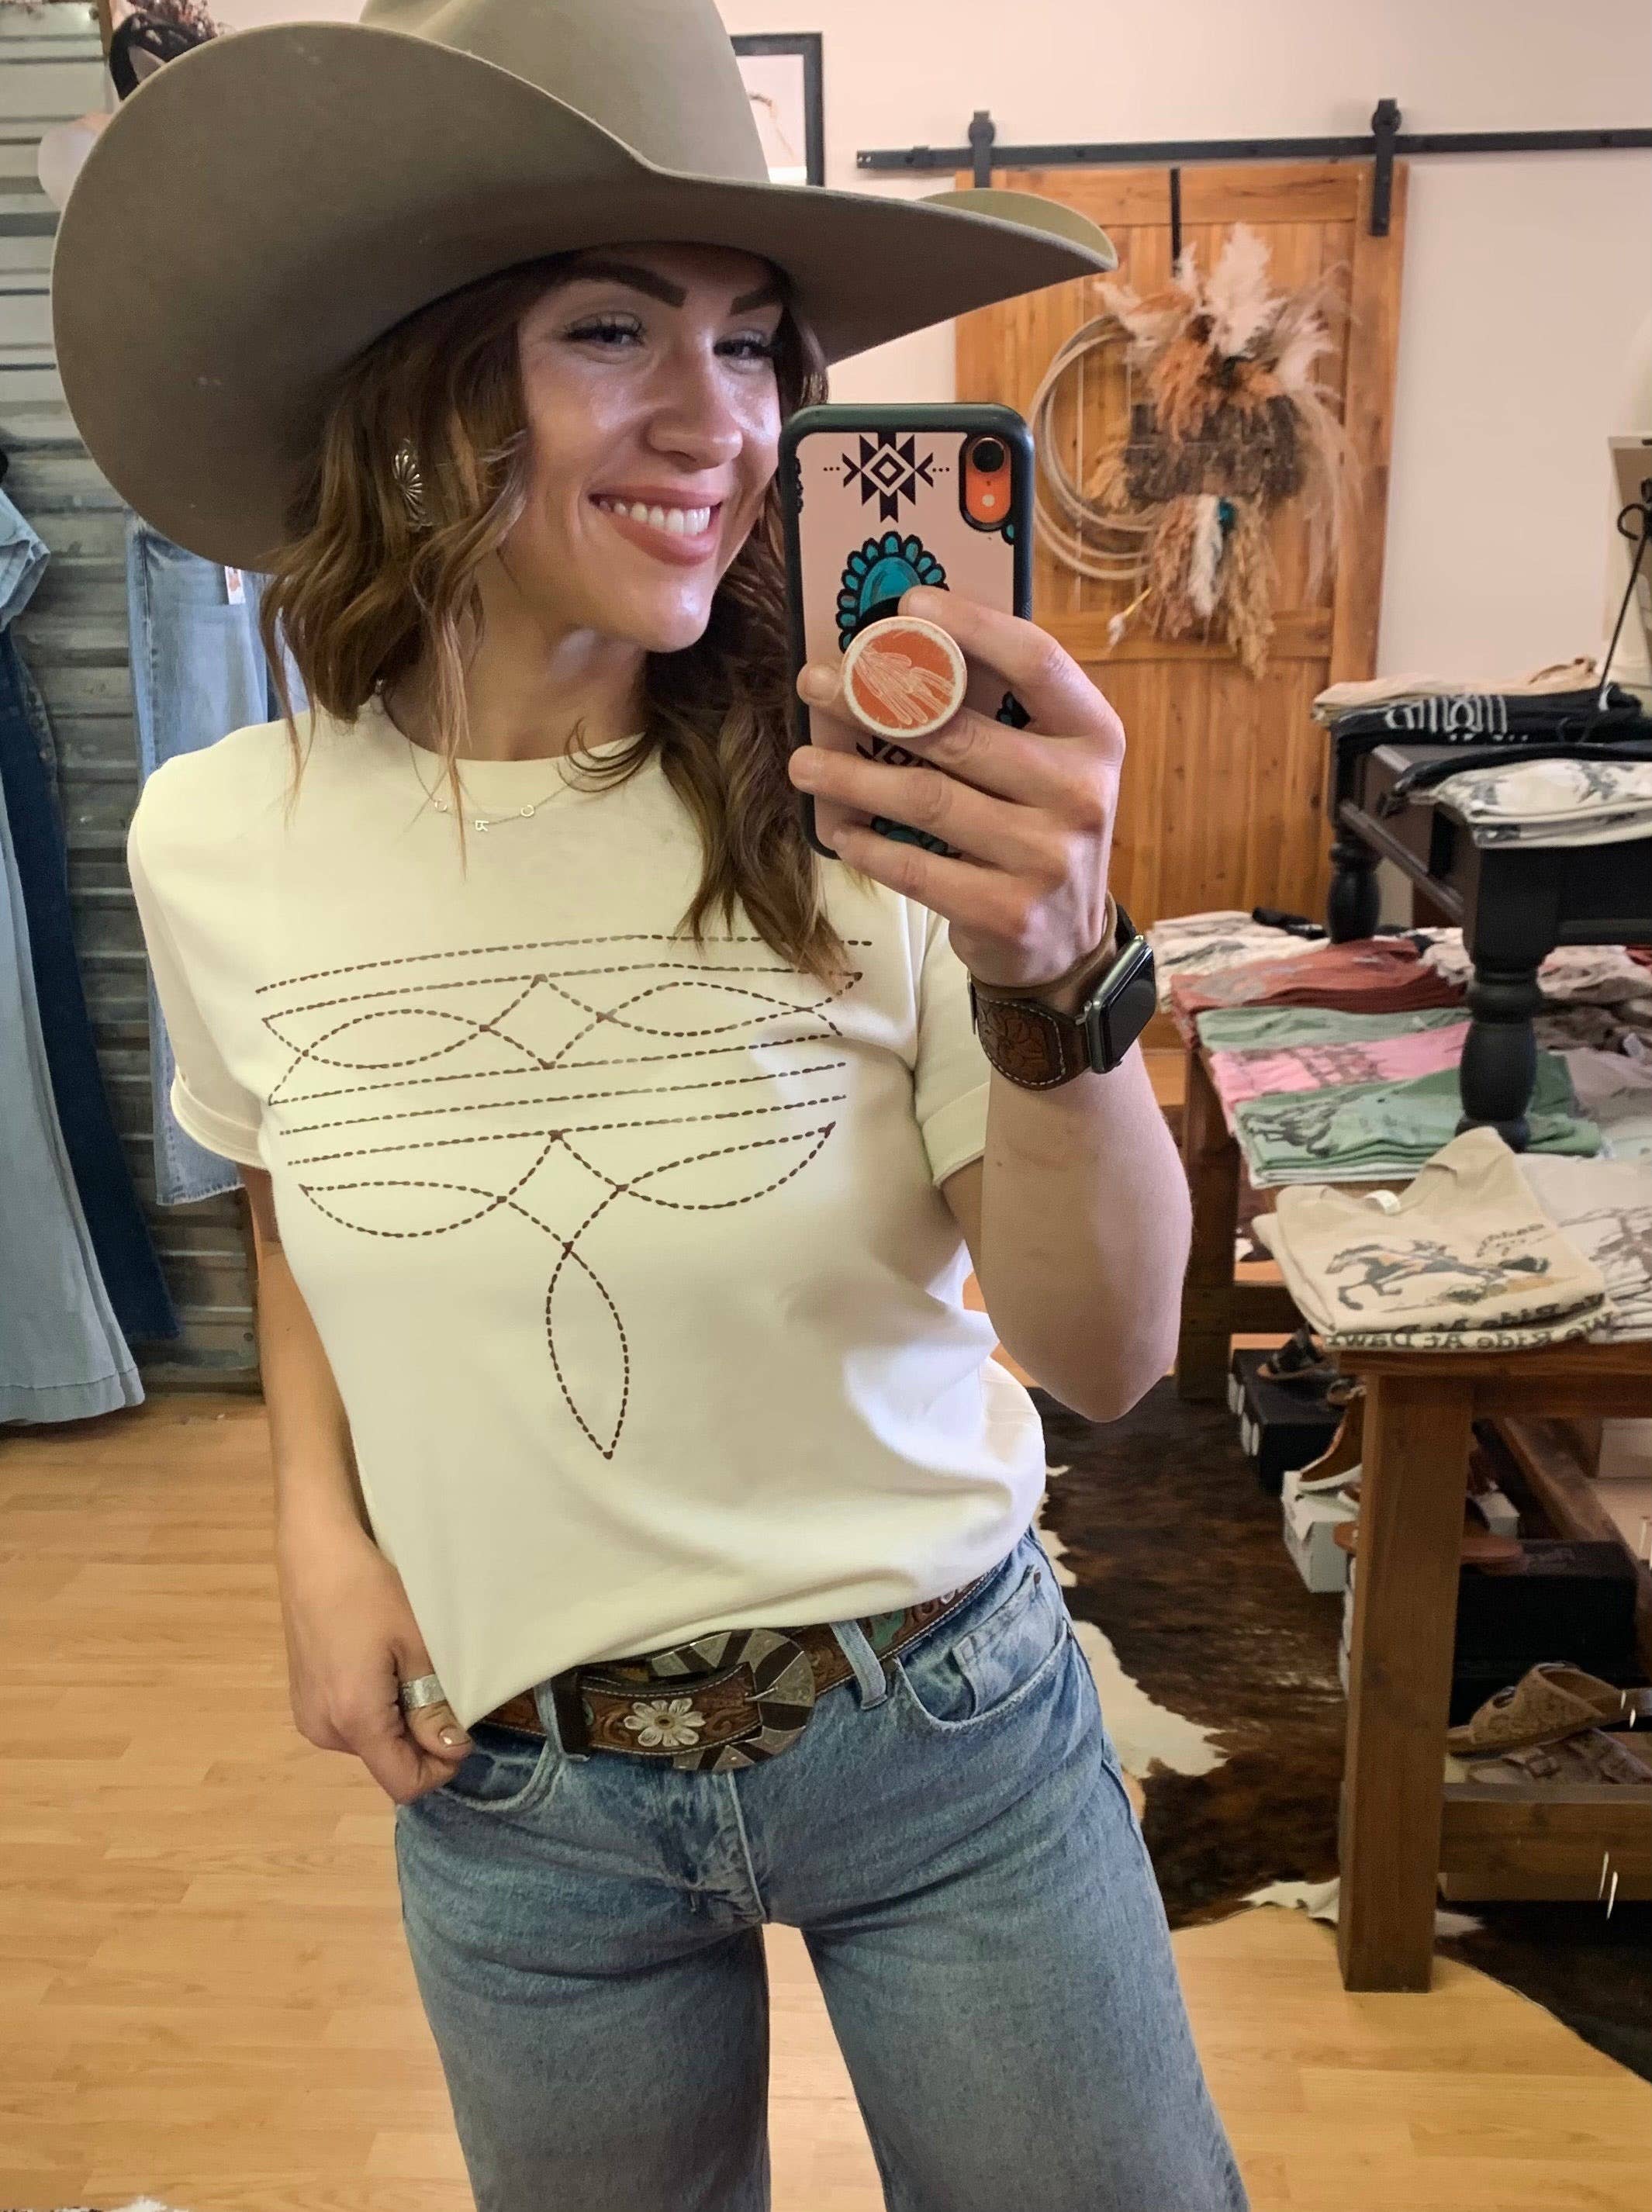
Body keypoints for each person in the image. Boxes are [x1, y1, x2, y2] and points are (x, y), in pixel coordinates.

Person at [52, 3, 1245, 2207]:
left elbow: (1109, 1354)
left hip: (940, 1734)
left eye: (756, 343)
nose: (723, 420)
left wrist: (1052, 974)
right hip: (518, 1795)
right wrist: (317, 1530)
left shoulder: (866, 802)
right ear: (417, 392)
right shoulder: (216, 839)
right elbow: (298, 1179)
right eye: (613, 330)